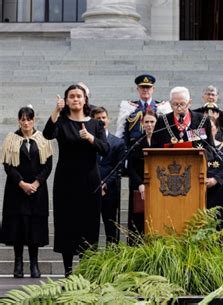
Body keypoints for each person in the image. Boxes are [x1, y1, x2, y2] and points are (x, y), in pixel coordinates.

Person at [43, 84, 109, 277]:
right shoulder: (62, 122)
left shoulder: (95, 124)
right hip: (66, 180)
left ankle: (86, 271)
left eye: (79, 96)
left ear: (85, 99)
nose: (75, 99)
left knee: (89, 225)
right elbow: (47, 134)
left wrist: (90, 139)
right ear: (67, 100)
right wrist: (56, 110)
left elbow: (105, 149)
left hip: (90, 181)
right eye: (71, 96)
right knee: (66, 224)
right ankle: (68, 272)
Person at [0, 106, 53, 278]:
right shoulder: (11, 138)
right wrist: (22, 183)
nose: (26, 122)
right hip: (16, 190)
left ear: (34, 120)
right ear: (18, 121)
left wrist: (36, 183)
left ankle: (34, 264)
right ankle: (18, 263)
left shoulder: (43, 139)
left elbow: (48, 166)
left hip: (37, 191)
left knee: (34, 228)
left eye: (29, 119)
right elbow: (7, 165)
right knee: (17, 227)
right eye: (22, 119)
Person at [91, 107, 126, 244]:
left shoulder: (118, 142)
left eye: (103, 118)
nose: (101, 121)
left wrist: (105, 184)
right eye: (98, 118)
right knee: (90, 228)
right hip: (91, 189)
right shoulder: (88, 141)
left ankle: (111, 257)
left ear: (108, 120)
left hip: (110, 191)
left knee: (111, 228)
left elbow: (119, 168)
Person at [116, 74, 172, 147]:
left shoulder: (162, 108)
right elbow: (123, 132)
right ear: (137, 89)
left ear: (153, 89)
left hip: (156, 147)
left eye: (148, 87)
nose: (145, 90)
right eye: (142, 87)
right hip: (134, 148)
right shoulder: (129, 108)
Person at [127, 111, 158, 240]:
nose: (149, 125)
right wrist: (140, 184)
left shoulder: (163, 142)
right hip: (139, 186)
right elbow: (131, 167)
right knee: (138, 221)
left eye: (152, 122)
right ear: (142, 124)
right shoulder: (136, 142)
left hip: (159, 185)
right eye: (146, 122)